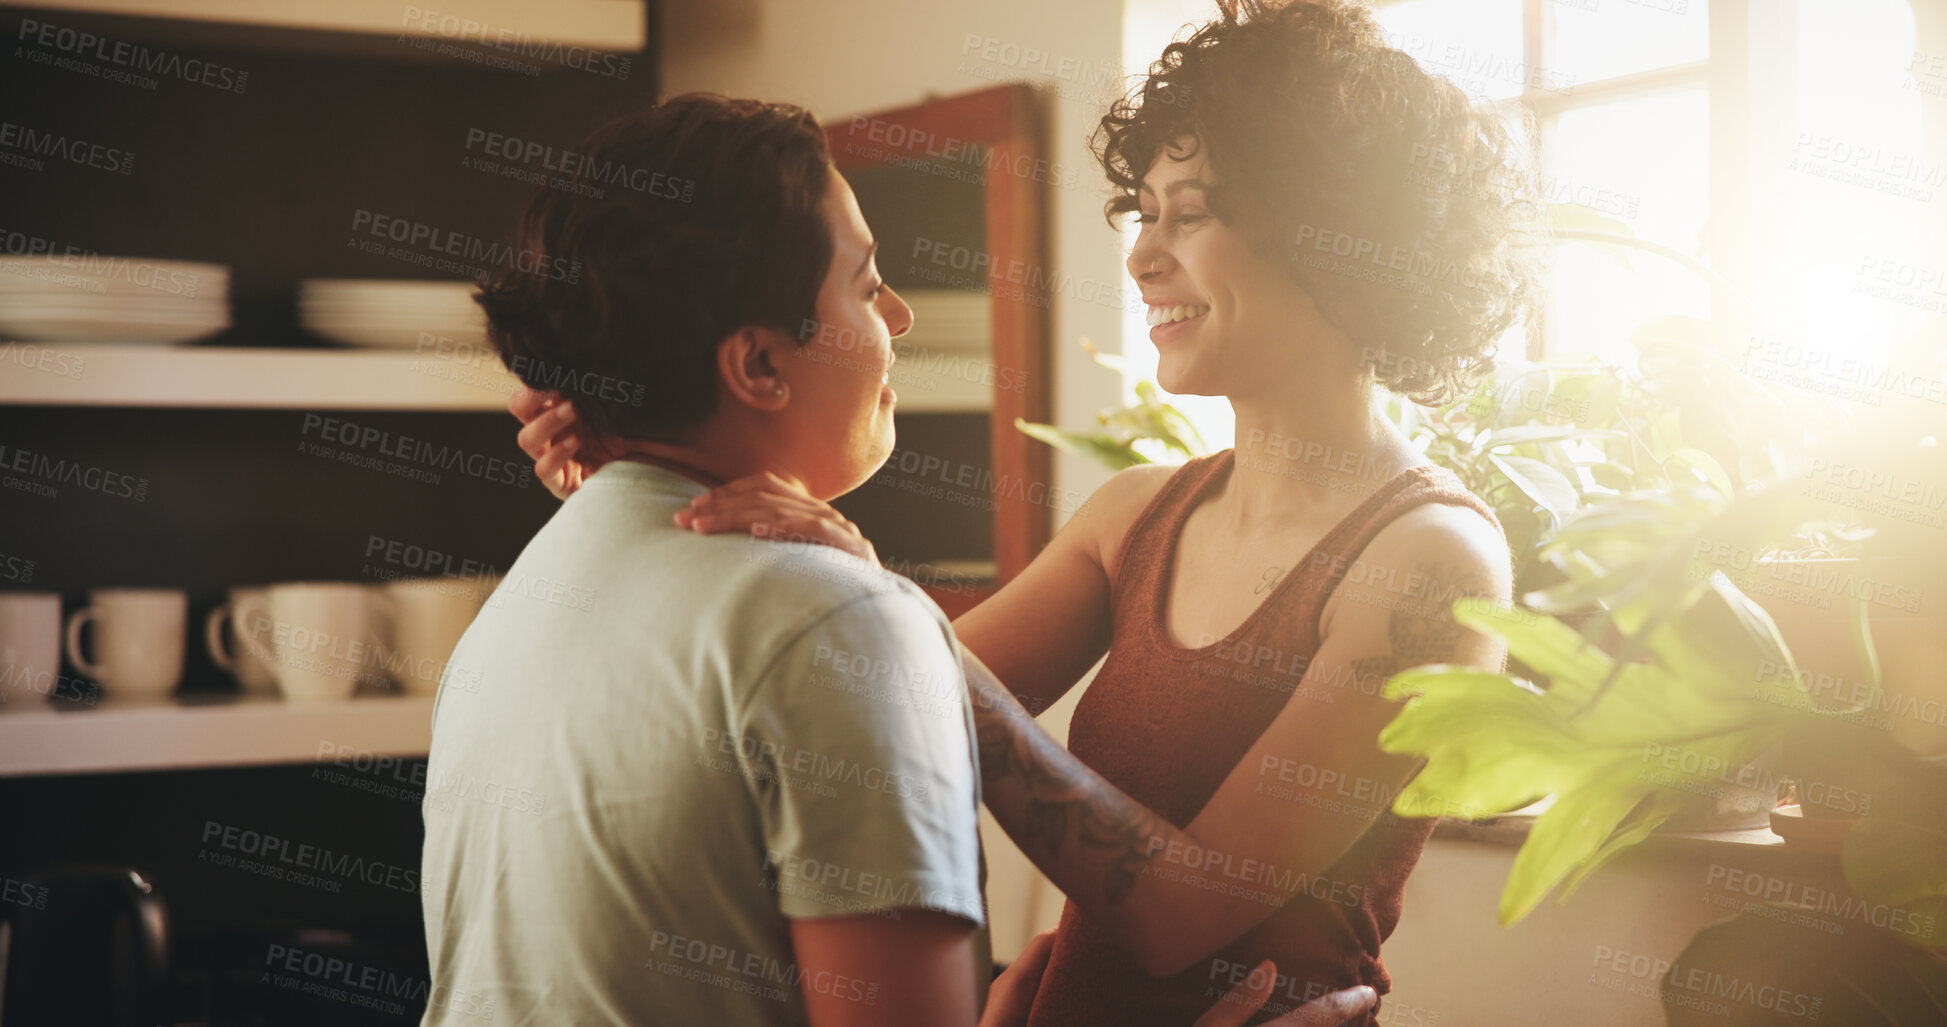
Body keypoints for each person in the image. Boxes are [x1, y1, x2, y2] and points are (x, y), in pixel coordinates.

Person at [511, 2, 1538, 1024]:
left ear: (1339, 241)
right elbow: (884, 719)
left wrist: (888, 607)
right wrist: (635, 458)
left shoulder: (1430, 565)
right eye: (1144, 210)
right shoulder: (1135, 517)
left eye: (1191, 212)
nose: (1142, 255)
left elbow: (1184, 914)